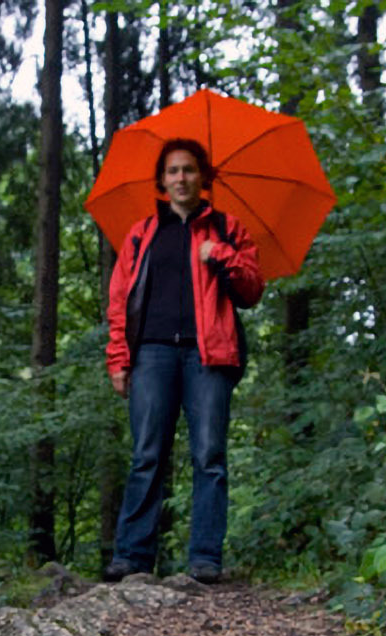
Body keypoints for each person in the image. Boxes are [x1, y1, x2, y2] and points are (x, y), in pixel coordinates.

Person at [104, 138, 264, 584]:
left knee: (209, 455)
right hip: (151, 353)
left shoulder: (227, 229)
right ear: (162, 180)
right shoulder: (142, 233)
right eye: (173, 171)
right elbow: (119, 300)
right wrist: (118, 358)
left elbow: (252, 290)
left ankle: (205, 558)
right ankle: (132, 556)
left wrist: (222, 255)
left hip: (209, 355)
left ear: (203, 177)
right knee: (146, 454)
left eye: (189, 169)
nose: (181, 178)